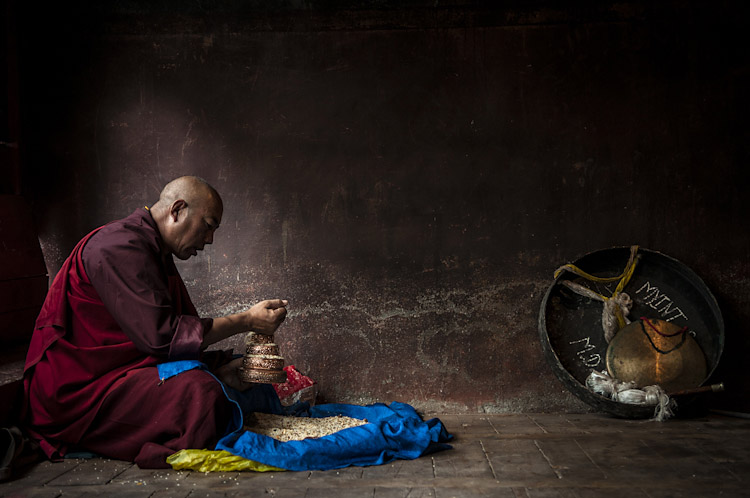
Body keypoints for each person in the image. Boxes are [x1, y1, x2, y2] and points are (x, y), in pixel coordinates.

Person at [21, 176, 288, 468]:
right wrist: (248, 319)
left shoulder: (154, 250)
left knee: (249, 371)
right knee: (201, 395)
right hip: (81, 392)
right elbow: (165, 338)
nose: (209, 239)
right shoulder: (116, 247)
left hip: (125, 371)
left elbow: (168, 343)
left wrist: (218, 367)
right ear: (177, 210)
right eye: (208, 225)